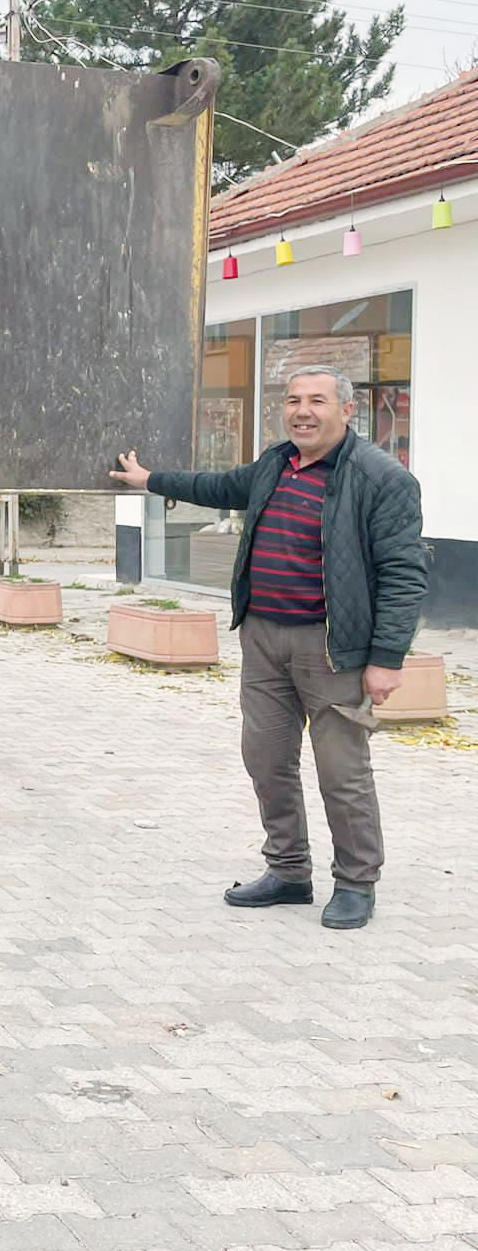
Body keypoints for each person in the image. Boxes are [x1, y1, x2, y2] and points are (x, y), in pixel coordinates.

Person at [111, 365, 427, 930]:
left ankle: (356, 883)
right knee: (266, 759)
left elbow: (404, 574)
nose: (302, 411)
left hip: (333, 648)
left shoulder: (382, 478)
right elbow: (215, 487)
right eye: (293, 400)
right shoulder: (275, 464)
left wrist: (387, 659)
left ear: (346, 411)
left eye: (317, 401)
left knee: (342, 772)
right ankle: (288, 871)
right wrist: (150, 479)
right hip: (263, 639)